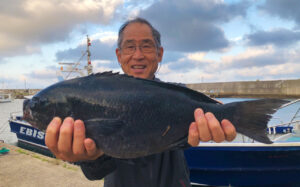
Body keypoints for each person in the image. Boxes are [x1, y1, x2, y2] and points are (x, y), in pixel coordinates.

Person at [45, 18, 236, 187]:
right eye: (130, 47)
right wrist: (88, 158)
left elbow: (197, 123)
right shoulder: (100, 97)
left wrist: (221, 115)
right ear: (119, 56)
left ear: (159, 54)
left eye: (146, 46)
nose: (138, 55)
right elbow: (94, 173)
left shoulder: (177, 94)